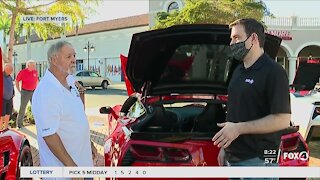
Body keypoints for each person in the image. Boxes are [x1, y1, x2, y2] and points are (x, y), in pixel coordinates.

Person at [212, 18, 291, 179]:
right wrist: (226, 147)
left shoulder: (274, 72)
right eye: (231, 38)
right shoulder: (238, 71)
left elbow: (282, 120)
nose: (232, 43)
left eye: (237, 38)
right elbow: (235, 112)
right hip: (233, 160)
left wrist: (238, 129)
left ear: (253, 38)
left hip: (259, 162)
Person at [32, 41, 96, 180]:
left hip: (83, 164)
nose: (74, 60)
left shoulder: (71, 81)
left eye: (74, 55)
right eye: (68, 56)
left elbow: (76, 115)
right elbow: (49, 135)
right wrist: (71, 166)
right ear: (54, 60)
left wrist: (88, 142)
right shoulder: (46, 91)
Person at [15, 59, 38, 128]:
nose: (34, 66)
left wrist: (37, 90)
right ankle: (19, 124)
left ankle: (38, 122)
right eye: (33, 65)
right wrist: (19, 90)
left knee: (35, 107)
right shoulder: (23, 72)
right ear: (28, 65)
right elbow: (17, 81)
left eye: (34, 65)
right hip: (25, 92)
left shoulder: (35, 72)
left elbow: (37, 80)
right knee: (22, 108)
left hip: (33, 91)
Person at [1, 63, 14, 130]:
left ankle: (5, 128)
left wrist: (13, 93)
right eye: (11, 70)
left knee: (8, 114)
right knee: (2, 115)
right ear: (6, 69)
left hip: (10, 98)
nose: (12, 71)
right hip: (2, 99)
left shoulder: (10, 76)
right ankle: (0, 129)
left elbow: (11, 85)